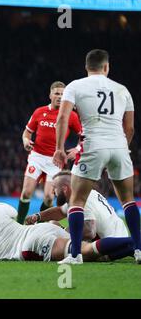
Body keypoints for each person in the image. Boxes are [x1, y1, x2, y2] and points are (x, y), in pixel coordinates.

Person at [53, 49, 141, 264]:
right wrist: (121, 147)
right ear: (106, 67)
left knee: (77, 201)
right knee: (128, 201)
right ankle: (139, 250)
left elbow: (63, 117)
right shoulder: (123, 90)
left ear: (87, 67)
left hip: (92, 144)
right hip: (119, 146)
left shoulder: (75, 86)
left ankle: (75, 256)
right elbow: (129, 128)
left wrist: (58, 148)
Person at [0, 202, 136, 263]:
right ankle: (135, 248)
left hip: (30, 244)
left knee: (86, 251)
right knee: (100, 257)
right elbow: (13, 210)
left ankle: (137, 241)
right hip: (40, 228)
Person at [17, 81, 82, 224]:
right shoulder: (39, 112)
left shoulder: (71, 115)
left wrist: (77, 150)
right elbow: (27, 133)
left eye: (63, 94)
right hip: (37, 157)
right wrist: (26, 142)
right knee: (26, 193)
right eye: (57, 93)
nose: (59, 96)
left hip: (55, 161)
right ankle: (18, 224)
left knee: (48, 197)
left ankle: (38, 225)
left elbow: (84, 135)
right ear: (50, 95)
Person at [25, 170, 129, 241]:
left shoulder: (83, 199)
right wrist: (38, 216)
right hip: (118, 234)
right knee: (53, 224)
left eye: (54, 188)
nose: (52, 192)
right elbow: (60, 211)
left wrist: (62, 232)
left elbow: (89, 232)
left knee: (57, 243)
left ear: (65, 189)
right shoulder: (80, 194)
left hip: (111, 243)